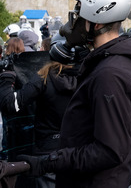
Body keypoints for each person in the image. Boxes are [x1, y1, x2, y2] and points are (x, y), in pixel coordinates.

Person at [16, 0, 131, 188]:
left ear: (96, 19)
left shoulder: (111, 74)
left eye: (79, 11)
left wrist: (48, 161)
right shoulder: (114, 64)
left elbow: (109, 150)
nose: (73, 20)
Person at [0, 34, 84, 188]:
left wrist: (6, 75)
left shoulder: (45, 76)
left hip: (47, 154)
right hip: (79, 152)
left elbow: (11, 105)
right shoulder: (90, 77)